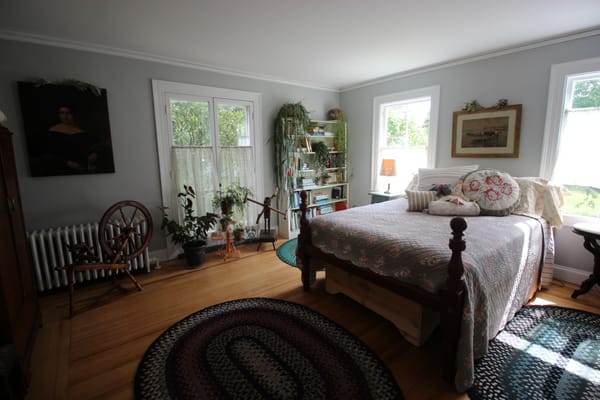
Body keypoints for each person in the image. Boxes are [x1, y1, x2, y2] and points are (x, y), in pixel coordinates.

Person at [45, 105, 95, 175]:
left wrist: (92, 154)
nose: (65, 116)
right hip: (60, 166)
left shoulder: (81, 131)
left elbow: (86, 148)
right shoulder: (53, 130)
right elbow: (50, 152)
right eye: (62, 113)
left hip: (80, 166)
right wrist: (67, 162)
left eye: (68, 113)